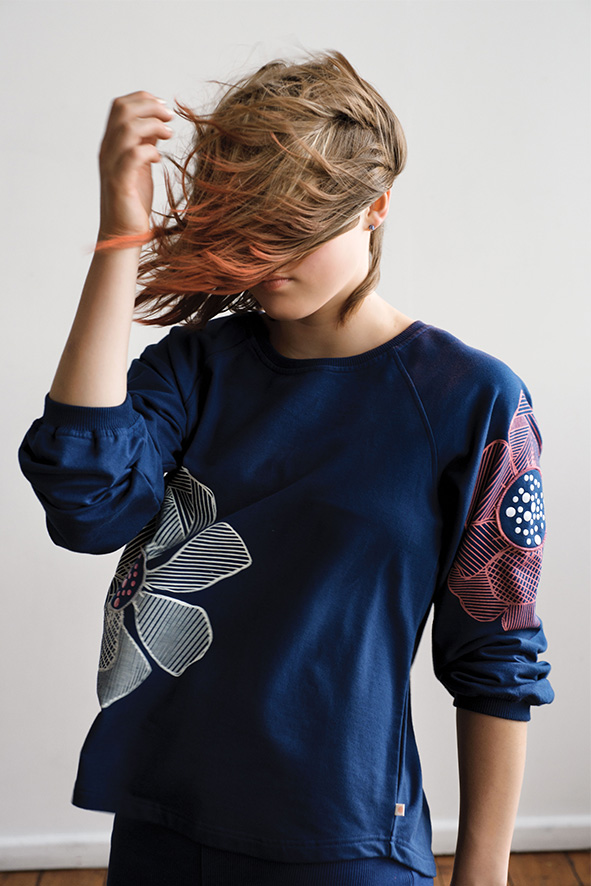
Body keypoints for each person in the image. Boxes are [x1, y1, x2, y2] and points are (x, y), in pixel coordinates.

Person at [18, 50, 553, 886]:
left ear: (376, 205)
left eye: (293, 228)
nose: (264, 256)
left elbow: (496, 650)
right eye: (245, 224)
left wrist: (481, 876)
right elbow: (86, 505)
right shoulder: (195, 369)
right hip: (165, 820)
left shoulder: (470, 399)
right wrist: (119, 236)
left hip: (342, 839)